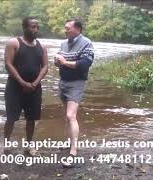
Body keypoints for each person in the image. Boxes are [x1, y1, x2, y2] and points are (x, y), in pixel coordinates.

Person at [3, 17, 48, 156]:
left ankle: (28, 146)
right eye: (32, 27)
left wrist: (34, 84)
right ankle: (5, 145)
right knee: (11, 118)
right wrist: (22, 83)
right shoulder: (13, 43)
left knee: (31, 119)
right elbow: (8, 64)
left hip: (34, 89)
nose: (35, 30)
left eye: (37, 27)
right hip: (15, 88)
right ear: (24, 27)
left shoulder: (42, 46)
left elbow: (45, 66)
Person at [54, 18, 94, 167]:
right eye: (65, 28)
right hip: (63, 82)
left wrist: (64, 62)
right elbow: (58, 59)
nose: (65, 30)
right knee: (66, 116)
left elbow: (85, 64)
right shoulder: (64, 43)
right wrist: (57, 60)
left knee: (71, 116)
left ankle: (73, 150)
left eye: (68, 28)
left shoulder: (86, 43)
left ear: (77, 29)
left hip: (77, 83)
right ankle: (68, 142)